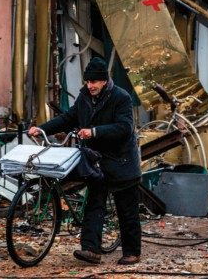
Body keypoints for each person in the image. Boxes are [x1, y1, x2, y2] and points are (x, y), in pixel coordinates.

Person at [29, 57, 142, 265]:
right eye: (87, 81)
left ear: (105, 81)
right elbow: (67, 118)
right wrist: (42, 128)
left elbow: (125, 127)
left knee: (127, 209)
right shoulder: (84, 98)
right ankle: (91, 249)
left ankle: (132, 252)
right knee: (94, 204)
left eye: (94, 82)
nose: (90, 86)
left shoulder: (121, 97)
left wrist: (95, 132)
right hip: (96, 161)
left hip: (121, 161)